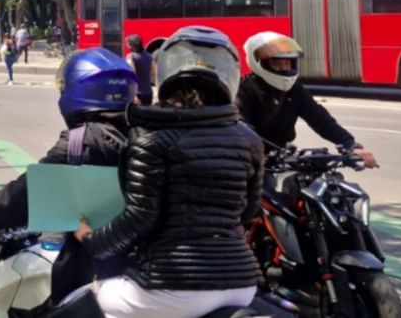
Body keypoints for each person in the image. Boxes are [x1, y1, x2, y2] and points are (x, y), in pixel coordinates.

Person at [65, 26, 264, 317]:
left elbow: (140, 218)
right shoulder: (250, 139)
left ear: (166, 73)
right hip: (242, 285)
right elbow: (248, 211)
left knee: (78, 299)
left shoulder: (150, 137)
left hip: (172, 284)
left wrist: (90, 239)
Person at [0, 48, 136, 306]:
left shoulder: (80, 142)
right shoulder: (147, 134)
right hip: (147, 270)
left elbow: (28, 193)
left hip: (97, 272)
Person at [236, 31, 378, 168]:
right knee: (266, 184)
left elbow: (319, 118)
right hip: (252, 160)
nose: (284, 68)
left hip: (282, 157)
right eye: (276, 63)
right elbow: (241, 127)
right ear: (258, 63)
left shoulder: (294, 90)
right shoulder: (244, 90)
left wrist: (351, 145)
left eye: (287, 63)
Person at [125, 34, 155, 105]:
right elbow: (153, 73)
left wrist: (133, 95)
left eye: (127, 44)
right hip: (149, 93)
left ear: (131, 45)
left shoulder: (131, 57)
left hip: (138, 94)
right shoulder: (150, 56)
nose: (126, 45)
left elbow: (132, 76)